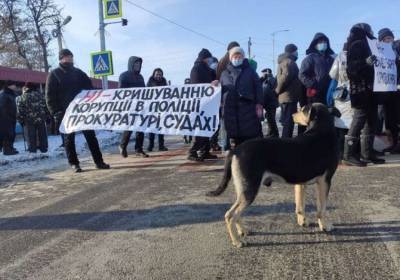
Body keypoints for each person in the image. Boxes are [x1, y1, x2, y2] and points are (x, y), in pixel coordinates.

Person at [46, 49, 110, 172]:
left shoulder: (79, 73)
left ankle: (99, 161)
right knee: (68, 140)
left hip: (82, 111)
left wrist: (98, 97)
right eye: (66, 56)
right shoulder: (54, 74)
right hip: (65, 113)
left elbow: (89, 90)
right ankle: (74, 163)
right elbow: (49, 96)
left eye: (71, 56)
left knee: (91, 137)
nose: (69, 58)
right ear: (60, 59)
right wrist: (55, 112)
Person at [343, 23, 385, 166]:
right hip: (360, 89)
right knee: (359, 120)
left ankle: (367, 153)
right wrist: (365, 62)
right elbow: (351, 68)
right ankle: (348, 154)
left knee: (371, 121)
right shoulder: (357, 44)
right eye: (370, 30)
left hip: (372, 88)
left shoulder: (371, 45)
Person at [221, 46, 264, 149]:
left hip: (248, 109)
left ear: (243, 57)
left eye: (239, 55)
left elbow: (258, 88)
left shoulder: (250, 71)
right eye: (235, 56)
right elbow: (221, 89)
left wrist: (259, 104)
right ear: (230, 58)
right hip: (231, 110)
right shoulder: (224, 73)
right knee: (236, 140)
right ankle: (239, 161)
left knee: (250, 139)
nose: (237, 58)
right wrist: (215, 85)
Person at [188, 48, 218, 161]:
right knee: (200, 129)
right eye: (209, 58)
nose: (210, 60)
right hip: (201, 104)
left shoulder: (207, 69)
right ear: (204, 58)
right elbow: (197, 87)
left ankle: (205, 151)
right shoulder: (196, 69)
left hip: (208, 103)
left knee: (207, 128)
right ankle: (192, 151)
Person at [118, 56, 149, 158]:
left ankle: (139, 149)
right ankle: (122, 146)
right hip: (129, 106)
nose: (138, 66)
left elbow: (144, 91)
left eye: (139, 64)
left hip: (140, 106)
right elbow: (121, 92)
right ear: (131, 64)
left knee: (141, 128)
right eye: (136, 64)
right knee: (129, 127)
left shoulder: (141, 77)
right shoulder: (124, 76)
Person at [326, 43, 353, 160]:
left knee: (341, 129)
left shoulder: (339, 58)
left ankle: (340, 154)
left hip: (340, 96)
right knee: (352, 128)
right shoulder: (359, 56)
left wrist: (329, 101)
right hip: (353, 96)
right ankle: (350, 153)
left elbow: (332, 75)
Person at [377, 29, 400, 154]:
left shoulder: (397, 51)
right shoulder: (379, 54)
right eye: (386, 39)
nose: (389, 41)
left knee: (398, 118)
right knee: (390, 119)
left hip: (397, 90)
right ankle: (394, 143)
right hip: (386, 92)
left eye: (390, 38)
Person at [299, 33, 335, 105]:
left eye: (325, 42)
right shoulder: (310, 58)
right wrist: (313, 84)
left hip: (329, 92)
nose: (323, 44)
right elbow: (302, 75)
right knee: (316, 114)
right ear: (315, 44)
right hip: (314, 94)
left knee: (328, 114)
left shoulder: (331, 59)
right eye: (320, 42)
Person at [276, 44, 302, 138]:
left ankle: (286, 140)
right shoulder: (289, 62)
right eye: (296, 51)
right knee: (288, 122)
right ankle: (286, 142)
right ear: (291, 52)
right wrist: (277, 90)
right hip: (288, 97)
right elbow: (284, 78)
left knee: (287, 121)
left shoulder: (283, 61)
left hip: (286, 96)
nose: (297, 53)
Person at [17, 82, 49, 153]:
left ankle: (32, 149)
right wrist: (47, 116)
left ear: (27, 88)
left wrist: (20, 119)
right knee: (42, 134)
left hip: (29, 119)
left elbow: (20, 109)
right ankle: (43, 148)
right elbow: (45, 106)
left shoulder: (23, 97)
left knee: (30, 135)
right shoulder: (40, 95)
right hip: (41, 118)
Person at [146, 68, 168, 152]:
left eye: (160, 74)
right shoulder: (150, 83)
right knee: (152, 128)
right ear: (154, 75)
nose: (159, 76)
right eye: (157, 74)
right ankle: (150, 146)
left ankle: (161, 145)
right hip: (152, 109)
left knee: (161, 128)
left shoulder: (164, 82)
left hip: (161, 109)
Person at [0, 81, 19, 155]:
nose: (15, 86)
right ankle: (7, 149)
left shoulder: (12, 94)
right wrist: (6, 117)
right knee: (7, 134)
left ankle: (10, 147)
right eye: (14, 85)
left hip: (12, 117)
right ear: (9, 86)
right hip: (5, 118)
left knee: (12, 133)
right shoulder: (3, 94)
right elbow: (2, 107)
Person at [260, 68, 279, 137]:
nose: (262, 74)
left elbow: (266, 91)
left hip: (270, 102)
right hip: (271, 102)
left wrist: (263, 102)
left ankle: (274, 134)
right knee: (270, 118)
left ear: (266, 73)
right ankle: (271, 132)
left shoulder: (269, 80)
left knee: (271, 119)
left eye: (263, 73)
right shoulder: (270, 79)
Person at [183, 78, 192, 145]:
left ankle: (190, 137)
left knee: (191, 124)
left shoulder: (193, 91)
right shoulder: (182, 92)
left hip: (191, 110)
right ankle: (185, 137)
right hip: (184, 111)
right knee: (185, 125)